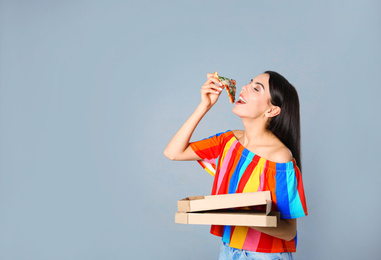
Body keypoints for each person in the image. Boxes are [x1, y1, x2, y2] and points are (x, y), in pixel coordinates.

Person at [164, 71, 308, 260]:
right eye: (249, 83)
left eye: (257, 88)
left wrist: (244, 216)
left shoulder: (279, 157)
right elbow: (173, 152)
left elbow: (289, 231)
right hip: (228, 251)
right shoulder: (228, 141)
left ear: (272, 110)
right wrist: (204, 106)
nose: (244, 87)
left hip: (264, 256)